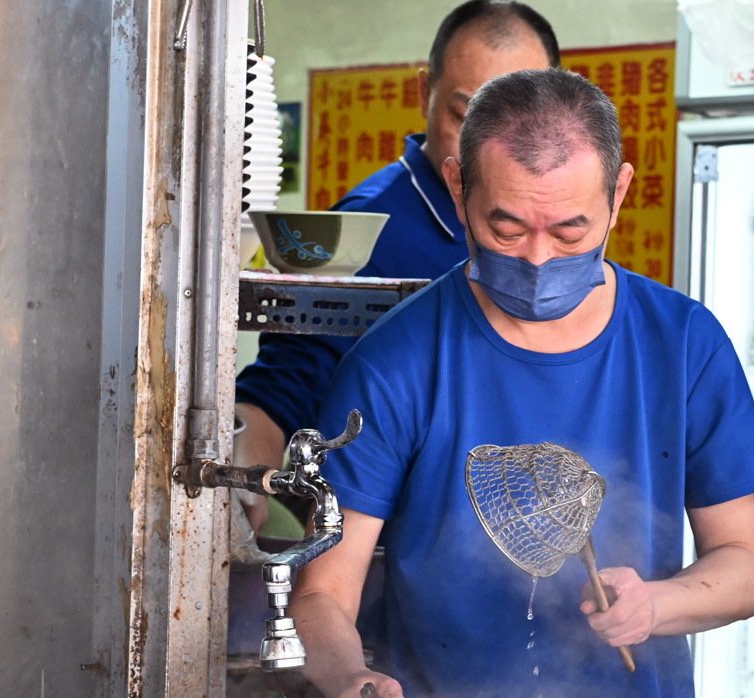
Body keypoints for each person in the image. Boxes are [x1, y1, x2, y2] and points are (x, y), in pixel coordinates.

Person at [288, 68, 754, 698]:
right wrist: (349, 680)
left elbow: (745, 567)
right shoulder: (395, 363)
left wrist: (657, 604)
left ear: (619, 193)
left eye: (572, 232)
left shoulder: (683, 346)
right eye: (507, 229)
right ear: (457, 187)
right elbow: (324, 593)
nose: (541, 260)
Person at [234, 1, 559, 529]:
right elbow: (286, 387)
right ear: (422, 93)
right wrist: (263, 490)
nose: (493, 154)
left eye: (520, 127)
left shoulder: (551, 229)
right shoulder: (365, 230)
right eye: (465, 117)